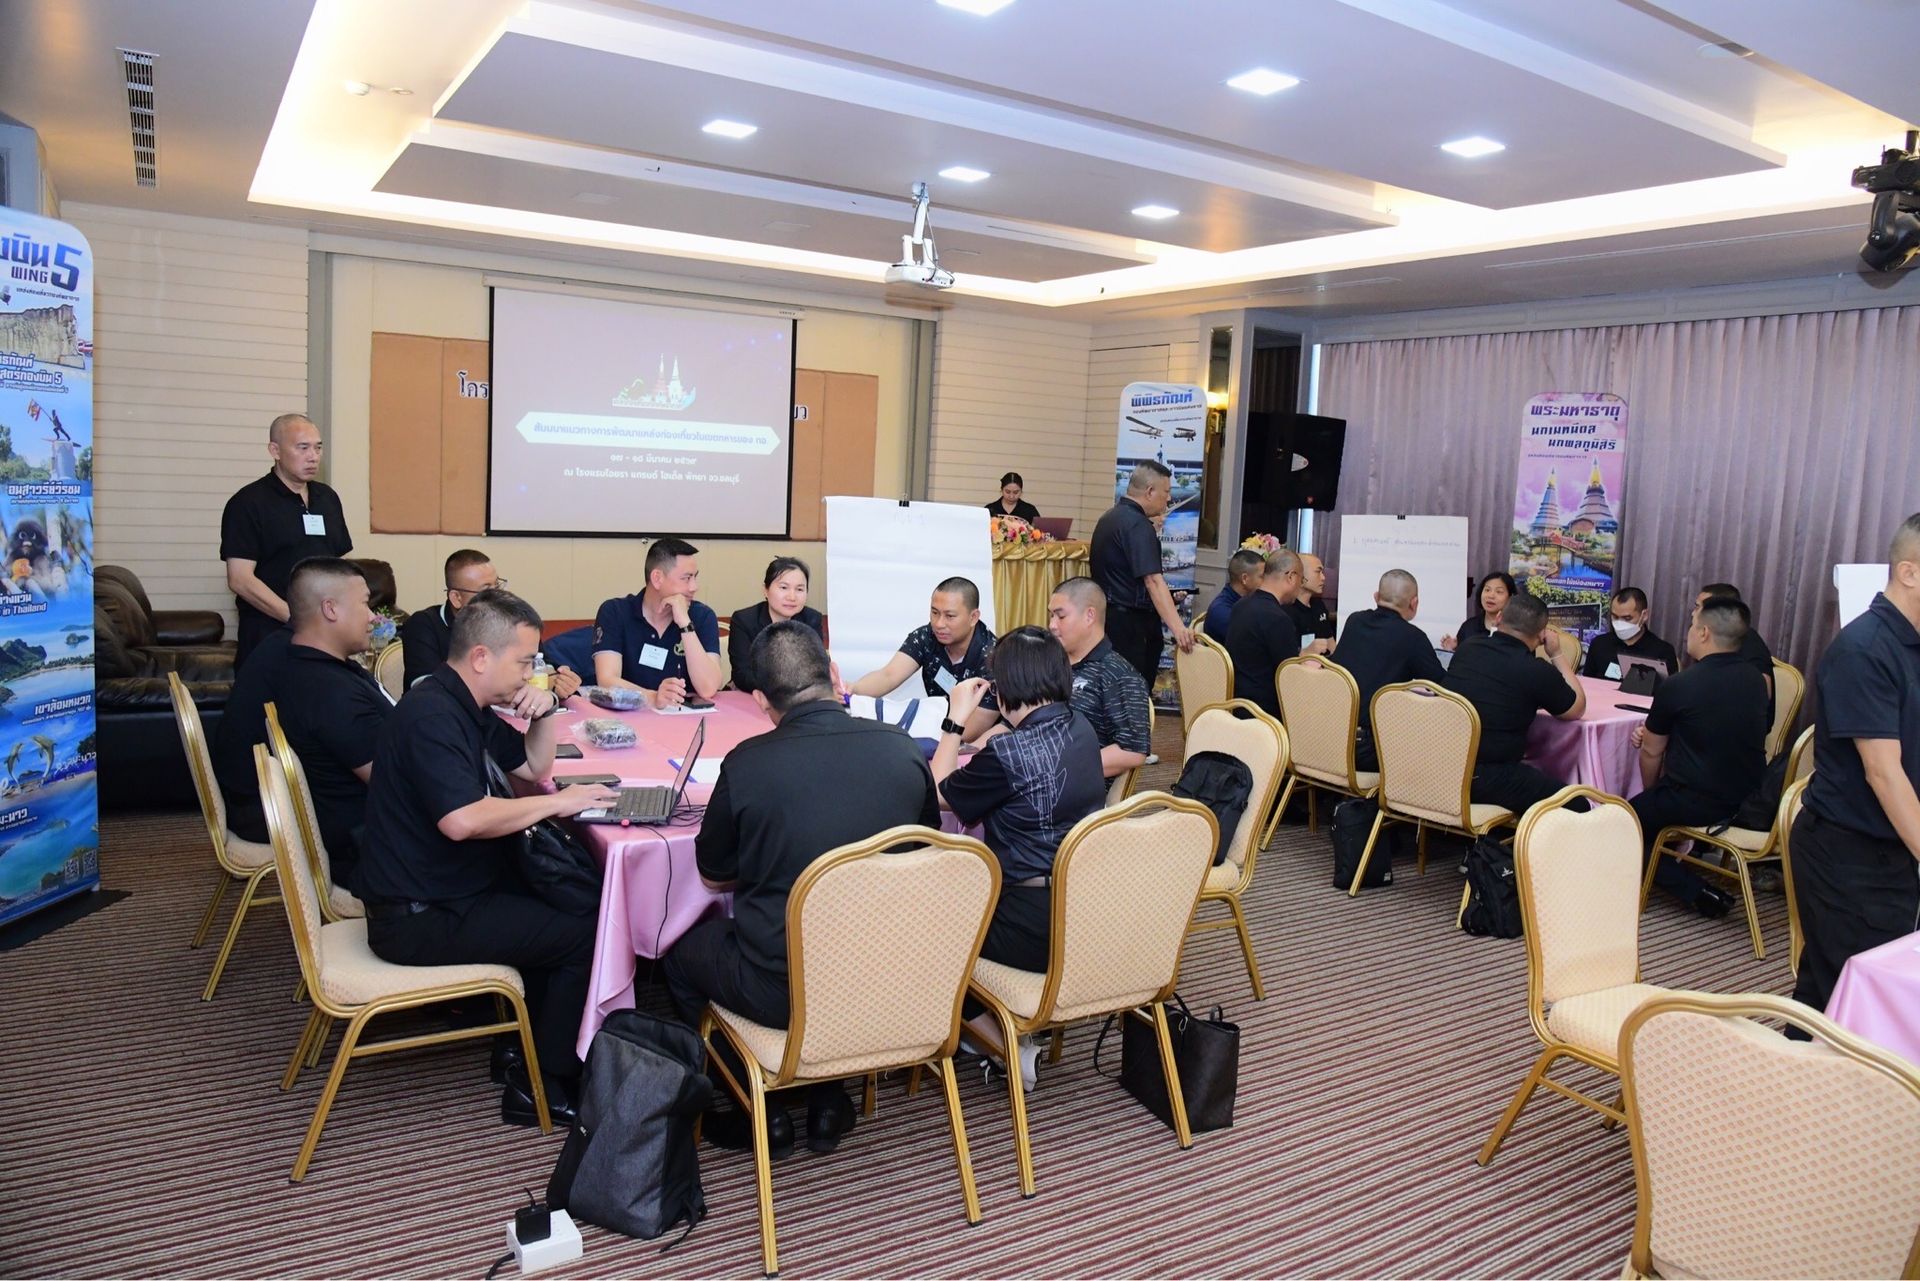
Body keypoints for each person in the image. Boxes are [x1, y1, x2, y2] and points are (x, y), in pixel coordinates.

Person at [664, 621, 940, 1158]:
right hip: (891, 974)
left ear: (760, 700)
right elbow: (924, 852)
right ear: (834, 674)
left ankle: (755, 1106)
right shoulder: (903, 749)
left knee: (679, 956)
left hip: (783, 989)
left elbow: (714, 875)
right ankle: (828, 1099)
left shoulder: (749, 763)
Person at [357, 590, 621, 1127]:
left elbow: (532, 768)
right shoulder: (433, 715)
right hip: (416, 914)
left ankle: (523, 1044)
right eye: (524, 662)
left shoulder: (462, 703)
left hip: (445, 885)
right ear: (481, 657)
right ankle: (540, 1084)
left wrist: (545, 710)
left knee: (571, 897)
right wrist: (561, 803)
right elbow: (462, 820)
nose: (531, 672)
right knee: (583, 931)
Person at [932, 628, 1104, 1091]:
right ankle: (991, 1024)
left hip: (1030, 925)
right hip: (1084, 909)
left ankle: (1003, 1044)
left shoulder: (1006, 755)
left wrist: (954, 721)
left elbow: (937, 790)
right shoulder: (1082, 728)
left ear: (1004, 687)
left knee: (929, 933)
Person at [1788, 514, 1920, 1018]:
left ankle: (1795, 1062)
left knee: (1836, 995)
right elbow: (1883, 772)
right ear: (1908, 572)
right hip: (1848, 853)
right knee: (1853, 1001)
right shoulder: (1864, 649)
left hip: (1891, 848)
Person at [1628, 597, 1765, 919]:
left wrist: (1652, 792)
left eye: (1692, 625)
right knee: (1648, 819)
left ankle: (1696, 890)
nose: (1688, 632)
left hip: (1696, 800)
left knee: (1623, 821)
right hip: (1750, 798)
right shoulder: (1756, 680)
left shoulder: (1680, 684)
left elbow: (1651, 751)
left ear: (1704, 633)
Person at [219, 412, 352, 668]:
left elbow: (338, 565)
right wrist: (296, 618)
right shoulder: (248, 503)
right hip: (268, 632)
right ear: (275, 450)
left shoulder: (327, 498)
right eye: (303, 448)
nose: (313, 456)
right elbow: (240, 579)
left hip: (323, 634)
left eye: (318, 447)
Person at [1443, 590, 1587, 814]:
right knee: (1577, 803)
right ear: (1541, 635)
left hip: (1442, 765)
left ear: (1499, 618)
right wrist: (1556, 654)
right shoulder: (1535, 670)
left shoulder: (1468, 648)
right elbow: (1576, 709)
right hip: (1486, 776)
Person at [401, 549, 582, 699]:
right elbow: (426, 687)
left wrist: (559, 683)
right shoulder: (423, 625)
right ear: (456, 598)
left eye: (498, 586)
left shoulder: (513, 620)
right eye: (487, 591)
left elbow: (542, 668)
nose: (498, 596)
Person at [848, 577, 999, 740]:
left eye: (950, 616)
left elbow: (973, 729)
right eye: (935, 613)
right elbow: (888, 676)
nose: (939, 623)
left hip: (976, 743)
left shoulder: (994, 657)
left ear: (973, 617)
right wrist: (850, 690)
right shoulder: (926, 637)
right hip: (936, 729)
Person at [1090, 460, 1194, 688]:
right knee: (1134, 695)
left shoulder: (1109, 518)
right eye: (1166, 492)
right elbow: (1153, 581)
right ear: (1150, 491)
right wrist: (1178, 628)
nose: (1169, 498)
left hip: (1108, 620)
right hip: (1132, 627)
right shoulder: (1138, 525)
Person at [1334, 569, 1447, 771]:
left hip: (1332, 737)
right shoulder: (1413, 637)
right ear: (1414, 603)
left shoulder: (1355, 621)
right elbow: (1442, 687)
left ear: (1376, 596)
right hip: (1367, 749)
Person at [592, 537, 722, 707]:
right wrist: (653, 697)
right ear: (657, 578)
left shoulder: (703, 616)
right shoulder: (615, 612)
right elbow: (606, 680)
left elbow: (708, 688)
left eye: (695, 577)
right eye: (686, 578)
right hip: (630, 715)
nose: (694, 587)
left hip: (686, 716)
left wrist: (685, 624)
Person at [1045, 578, 1152, 780]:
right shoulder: (1048, 663)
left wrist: (1056, 768)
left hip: (1069, 786)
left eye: (1061, 616)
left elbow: (1132, 750)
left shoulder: (1118, 675)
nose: (1052, 625)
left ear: (1089, 616)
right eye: (1051, 616)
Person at [1224, 549, 1324, 719]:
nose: (1300, 587)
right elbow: (1289, 676)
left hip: (1236, 703)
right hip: (1267, 712)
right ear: (1291, 577)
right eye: (1301, 580)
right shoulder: (1278, 618)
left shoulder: (1240, 605)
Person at [727, 556, 825, 696]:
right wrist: (785, 686)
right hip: (753, 695)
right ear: (765, 590)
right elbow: (742, 674)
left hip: (799, 698)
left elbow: (818, 667)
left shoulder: (811, 619)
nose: (792, 597)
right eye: (784, 587)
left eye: (799, 589)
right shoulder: (744, 620)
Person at [1697, 582, 1776, 717]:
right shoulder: (1713, 637)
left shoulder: (1749, 641)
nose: (1693, 613)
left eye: (1698, 607)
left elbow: (1763, 692)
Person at [1583, 587, 1679, 679]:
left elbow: (1669, 689)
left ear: (1644, 616)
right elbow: (1587, 683)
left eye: (1627, 618)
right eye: (1615, 617)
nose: (1620, 623)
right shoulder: (1599, 644)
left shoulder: (1663, 652)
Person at [1441, 571, 1515, 652]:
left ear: (1510, 597)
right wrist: (1453, 650)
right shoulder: (1469, 626)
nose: (1491, 595)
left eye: (1499, 592)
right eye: (1487, 590)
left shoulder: (1516, 629)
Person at [1203, 548, 1266, 637]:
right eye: (1262, 577)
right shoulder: (1222, 612)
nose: (1266, 581)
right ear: (1245, 578)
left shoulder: (1247, 600)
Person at [1284, 552, 1337, 644]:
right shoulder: (1286, 610)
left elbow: (1330, 642)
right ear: (1300, 575)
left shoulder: (1318, 605)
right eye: (1318, 572)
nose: (1323, 577)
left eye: (1322, 572)